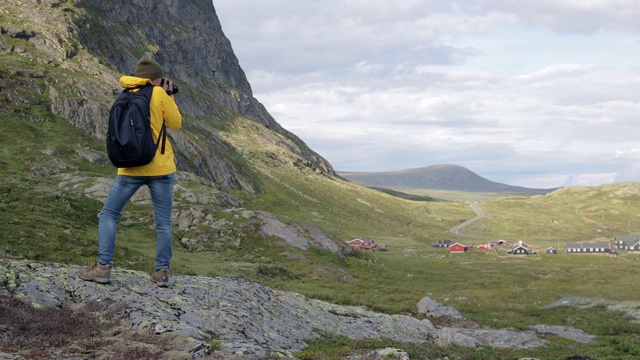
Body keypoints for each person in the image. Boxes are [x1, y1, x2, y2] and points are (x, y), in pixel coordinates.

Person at [80, 56, 182, 287]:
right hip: (160, 168)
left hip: (129, 167)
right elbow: (175, 123)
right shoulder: (158, 94)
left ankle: (103, 267)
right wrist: (168, 95)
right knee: (163, 223)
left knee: (108, 215)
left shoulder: (124, 93)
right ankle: (161, 273)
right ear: (157, 78)